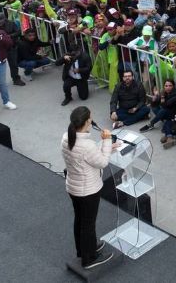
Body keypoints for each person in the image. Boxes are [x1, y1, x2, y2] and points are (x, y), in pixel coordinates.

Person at [61, 106, 114, 269]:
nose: (92, 120)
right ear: (85, 122)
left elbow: (83, 157)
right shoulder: (87, 145)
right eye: (90, 118)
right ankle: (89, 258)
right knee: (88, 223)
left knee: (80, 220)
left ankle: (83, 250)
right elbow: (103, 162)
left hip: (73, 187)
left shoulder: (66, 137)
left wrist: (102, 148)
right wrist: (106, 141)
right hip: (88, 191)